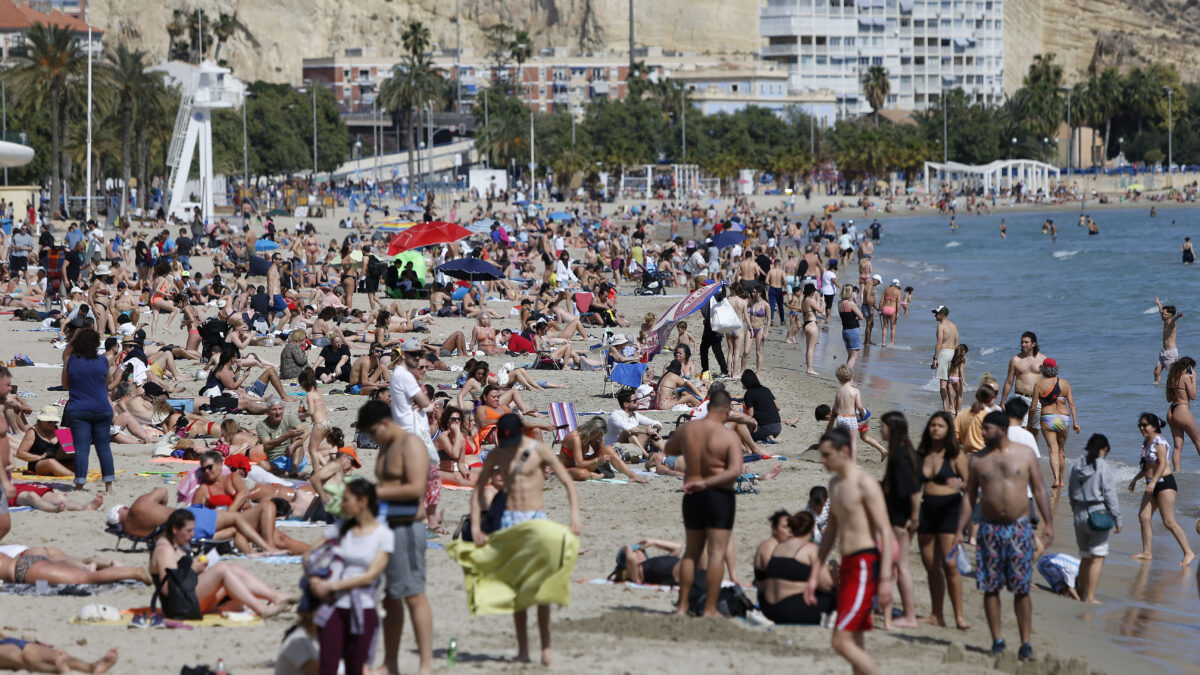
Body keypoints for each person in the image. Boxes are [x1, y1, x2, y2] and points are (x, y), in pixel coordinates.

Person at [466, 413, 582, 665]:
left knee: (541, 590)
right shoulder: (497, 455)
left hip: (535, 519)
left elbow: (567, 482)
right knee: (518, 592)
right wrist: (476, 526)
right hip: (508, 522)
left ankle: (546, 649)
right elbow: (478, 491)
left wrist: (574, 516)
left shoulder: (538, 450)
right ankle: (523, 649)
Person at [957, 411, 1054, 660]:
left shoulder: (1025, 454)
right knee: (991, 587)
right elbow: (969, 497)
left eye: (986, 429)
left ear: (1001, 430)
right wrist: (959, 528)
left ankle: (1025, 643)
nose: (981, 433)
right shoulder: (978, 460)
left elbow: (1041, 490)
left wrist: (1048, 522)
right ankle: (997, 640)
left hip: (1019, 527)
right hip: (989, 528)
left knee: (1021, 588)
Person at [803, 429, 893, 675]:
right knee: (855, 640)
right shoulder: (834, 484)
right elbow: (831, 532)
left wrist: (885, 579)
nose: (822, 460)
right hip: (847, 564)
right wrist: (815, 572)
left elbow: (885, 531)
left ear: (844, 451)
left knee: (840, 641)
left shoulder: (865, 484)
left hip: (865, 563)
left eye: (827, 455)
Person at [356, 400, 433, 675]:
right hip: (386, 526)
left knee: (414, 594)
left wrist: (371, 493)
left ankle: (425, 665)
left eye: (373, 432)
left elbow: (414, 489)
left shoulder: (410, 444)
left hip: (407, 526)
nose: (372, 439)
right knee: (390, 596)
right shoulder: (387, 446)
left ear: (385, 423)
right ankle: (391, 663)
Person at [668, 389, 742, 617]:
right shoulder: (729, 436)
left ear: (708, 407)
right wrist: (708, 482)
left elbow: (669, 450)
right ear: (727, 411)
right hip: (718, 495)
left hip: (692, 492)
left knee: (691, 552)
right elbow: (734, 471)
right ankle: (709, 608)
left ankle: (682, 607)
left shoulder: (688, 429)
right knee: (717, 553)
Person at [307, 479, 391, 675]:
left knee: (355, 667)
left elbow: (370, 576)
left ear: (362, 502)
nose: (341, 504)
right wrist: (313, 579)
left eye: (346, 500)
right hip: (333, 606)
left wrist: (332, 586)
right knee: (328, 665)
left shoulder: (383, 535)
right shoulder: (341, 527)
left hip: (362, 607)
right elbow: (310, 554)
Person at [149, 508, 293, 618]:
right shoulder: (164, 550)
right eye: (189, 530)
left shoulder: (176, 545)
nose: (192, 535)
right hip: (179, 607)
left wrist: (195, 567)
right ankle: (262, 609)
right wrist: (192, 569)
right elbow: (167, 588)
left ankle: (274, 596)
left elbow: (179, 573)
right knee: (222, 569)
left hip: (186, 598)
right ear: (175, 529)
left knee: (234, 571)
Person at [916, 411, 971, 630]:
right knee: (930, 565)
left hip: (950, 512)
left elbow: (971, 485)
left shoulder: (956, 454)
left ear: (948, 429)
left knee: (949, 564)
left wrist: (959, 484)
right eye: (932, 425)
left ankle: (958, 616)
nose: (935, 429)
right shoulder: (923, 453)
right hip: (926, 511)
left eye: (940, 425)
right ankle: (936, 614)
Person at [1129, 412, 1195, 565]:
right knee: (1143, 517)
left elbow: (1163, 464)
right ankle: (1147, 552)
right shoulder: (1146, 442)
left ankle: (1188, 552)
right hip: (1151, 484)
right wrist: (1135, 479)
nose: (1141, 428)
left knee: (1168, 521)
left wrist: (1153, 482)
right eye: (1140, 425)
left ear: (1154, 426)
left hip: (1165, 484)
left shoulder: (1159, 441)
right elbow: (1147, 467)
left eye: (1144, 425)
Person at [1067, 434, 1121, 603]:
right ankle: (1090, 597)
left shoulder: (1077, 464)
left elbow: (1071, 490)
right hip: (1098, 513)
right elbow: (1109, 494)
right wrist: (1117, 518)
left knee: (1085, 557)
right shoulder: (1102, 466)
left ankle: (1083, 594)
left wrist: (1075, 511)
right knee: (1097, 558)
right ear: (1103, 449)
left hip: (1079, 513)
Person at [879, 411, 920, 629]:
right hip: (900, 515)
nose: (880, 430)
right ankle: (898, 608)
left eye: (883, 427)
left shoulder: (901, 455)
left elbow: (913, 490)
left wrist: (913, 517)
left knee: (900, 565)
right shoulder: (905, 450)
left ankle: (909, 615)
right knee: (897, 564)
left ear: (892, 429)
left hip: (900, 517)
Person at [757, 511, 834, 625]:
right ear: (813, 529)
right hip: (791, 610)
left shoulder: (778, 547)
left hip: (768, 608)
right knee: (838, 598)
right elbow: (826, 585)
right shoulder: (810, 549)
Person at [61, 328, 114, 492]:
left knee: (82, 449)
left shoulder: (71, 360)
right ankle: (109, 486)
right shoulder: (103, 361)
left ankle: (79, 485)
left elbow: (65, 385)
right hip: (102, 408)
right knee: (104, 448)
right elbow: (108, 383)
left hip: (79, 408)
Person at [1031, 357, 1079, 488]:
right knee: (1061, 451)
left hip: (1048, 418)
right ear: (1055, 368)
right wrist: (1075, 422)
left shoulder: (1039, 385)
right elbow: (1072, 404)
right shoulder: (1065, 383)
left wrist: (1030, 422)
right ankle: (1062, 480)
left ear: (1043, 369)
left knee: (1052, 449)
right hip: (1063, 418)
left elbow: (1034, 407)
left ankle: (1056, 479)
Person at [0, 628, 119, 674]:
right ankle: (57, 670)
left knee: (57, 655)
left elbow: (4, 633)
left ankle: (90, 667)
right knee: (26, 657)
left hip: (7, 641)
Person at [1000, 332, 1048, 440]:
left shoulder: (1043, 359)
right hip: (1020, 398)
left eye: (1026, 342)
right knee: (1021, 429)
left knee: (1034, 430)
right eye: (1022, 342)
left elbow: (1048, 381)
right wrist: (1003, 401)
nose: (1023, 345)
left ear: (1033, 344)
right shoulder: (1015, 360)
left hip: (1037, 400)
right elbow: (1009, 382)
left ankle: (1033, 455)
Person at [604, 389, 665, 456]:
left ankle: (667, 454)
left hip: (631, 447)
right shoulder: (615, 415)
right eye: (635, 401)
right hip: (613, 449)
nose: (638, 402)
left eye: (637, 399)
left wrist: (654, 430)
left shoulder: (635, 415)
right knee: (629, 432)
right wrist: (647, 431)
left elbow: (656, 422)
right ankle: (647, 456)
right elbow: (629, 428)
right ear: (626, 404)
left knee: (650, 428)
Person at [1165, 357, 1200, 471]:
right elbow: (1193, 396)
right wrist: (1194, 379)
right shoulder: (1185, 377)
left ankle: (1177, 474)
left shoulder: (1170, 378)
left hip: (1171, 411)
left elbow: (1168, 399)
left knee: (1177, 446)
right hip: (1182, 410)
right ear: (1188, 367)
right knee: (1198, 441)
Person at [741, 369, 782, 442]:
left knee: (742, 429)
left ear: (745, 383)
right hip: (778, 427)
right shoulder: (766, 389)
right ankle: (770, 436)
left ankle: (767, 437)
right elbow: (778, 408)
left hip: (765, 427)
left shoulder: (749, 394)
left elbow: (750, 414)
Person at [930, 305, 959, 412]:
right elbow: (957, 343)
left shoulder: (941, 326)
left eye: (936, 313)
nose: (935, 315)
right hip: (953, 353)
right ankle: (953, 405)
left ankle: (945, 406)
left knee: (943, 382)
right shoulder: (954, 326)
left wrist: (935, 358)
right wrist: (958, 356)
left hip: (943, 353)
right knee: (951, 382)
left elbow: (939, 342)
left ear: (942, 315)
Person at [1154, 297, 1182, 385]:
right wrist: (1159, 304)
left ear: (1169, 315)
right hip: (1163, 352)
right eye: (1162, 313)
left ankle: (1177, 388)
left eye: (1163, 314)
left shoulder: (1172, 323)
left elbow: (1174, 320)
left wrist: (1177, 316)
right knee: (1156, 372)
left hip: (1171, 353)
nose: (1161, 315)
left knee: (1173, 375)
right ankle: (1157, 389)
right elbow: (1161, 310)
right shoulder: (1165, 321)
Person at [836, 285, 863, 369]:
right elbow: (861, 316)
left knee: (850, 356)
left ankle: (846, 377)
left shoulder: (839, 303)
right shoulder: (851, 303)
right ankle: (848, 378)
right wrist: (857, 317)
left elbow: (846, 315)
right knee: (854, 356)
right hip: (853, 330)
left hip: (845, 330)